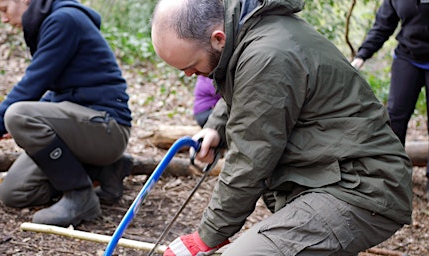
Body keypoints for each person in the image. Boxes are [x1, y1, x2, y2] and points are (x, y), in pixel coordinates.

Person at [151, 0, 413, 255]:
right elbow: (246, 91)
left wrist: (206, 237)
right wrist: (216, 127)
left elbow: (249, 161)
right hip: (330, 174)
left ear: (218, 38)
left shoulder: (266, 54)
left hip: (359, 186)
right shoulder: (251, 30)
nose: (188, 75)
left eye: (192, 67)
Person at [0, 0, 132, 227]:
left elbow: (34, 82)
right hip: (83, 126)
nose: (3, 19)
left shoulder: (64, 20)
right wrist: (32, 118)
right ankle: (102, 171)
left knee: (18, 115)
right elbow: (59, 92)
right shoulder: (49, 22)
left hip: (107, 127)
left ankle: (79, 196)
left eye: (4, 10)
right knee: (15, 193)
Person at [351, 0, 429, 210]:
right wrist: (361, 55)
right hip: (408, 57)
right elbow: (384, 24)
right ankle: (391, 180)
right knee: (394, 117)